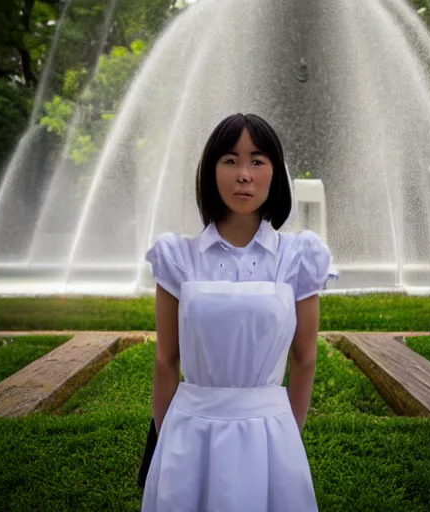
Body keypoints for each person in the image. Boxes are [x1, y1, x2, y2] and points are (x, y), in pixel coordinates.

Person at [141, 113, 336, 511]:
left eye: (257, 160)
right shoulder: (179, 257)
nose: (243, 174)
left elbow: (305, 358)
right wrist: (168, 438)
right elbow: (166, 359)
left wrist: (286, 434)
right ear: (210, 171)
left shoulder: (298, 257)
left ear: (275, 173)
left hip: (271, 434)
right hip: (189, 432)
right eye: (229, 160)